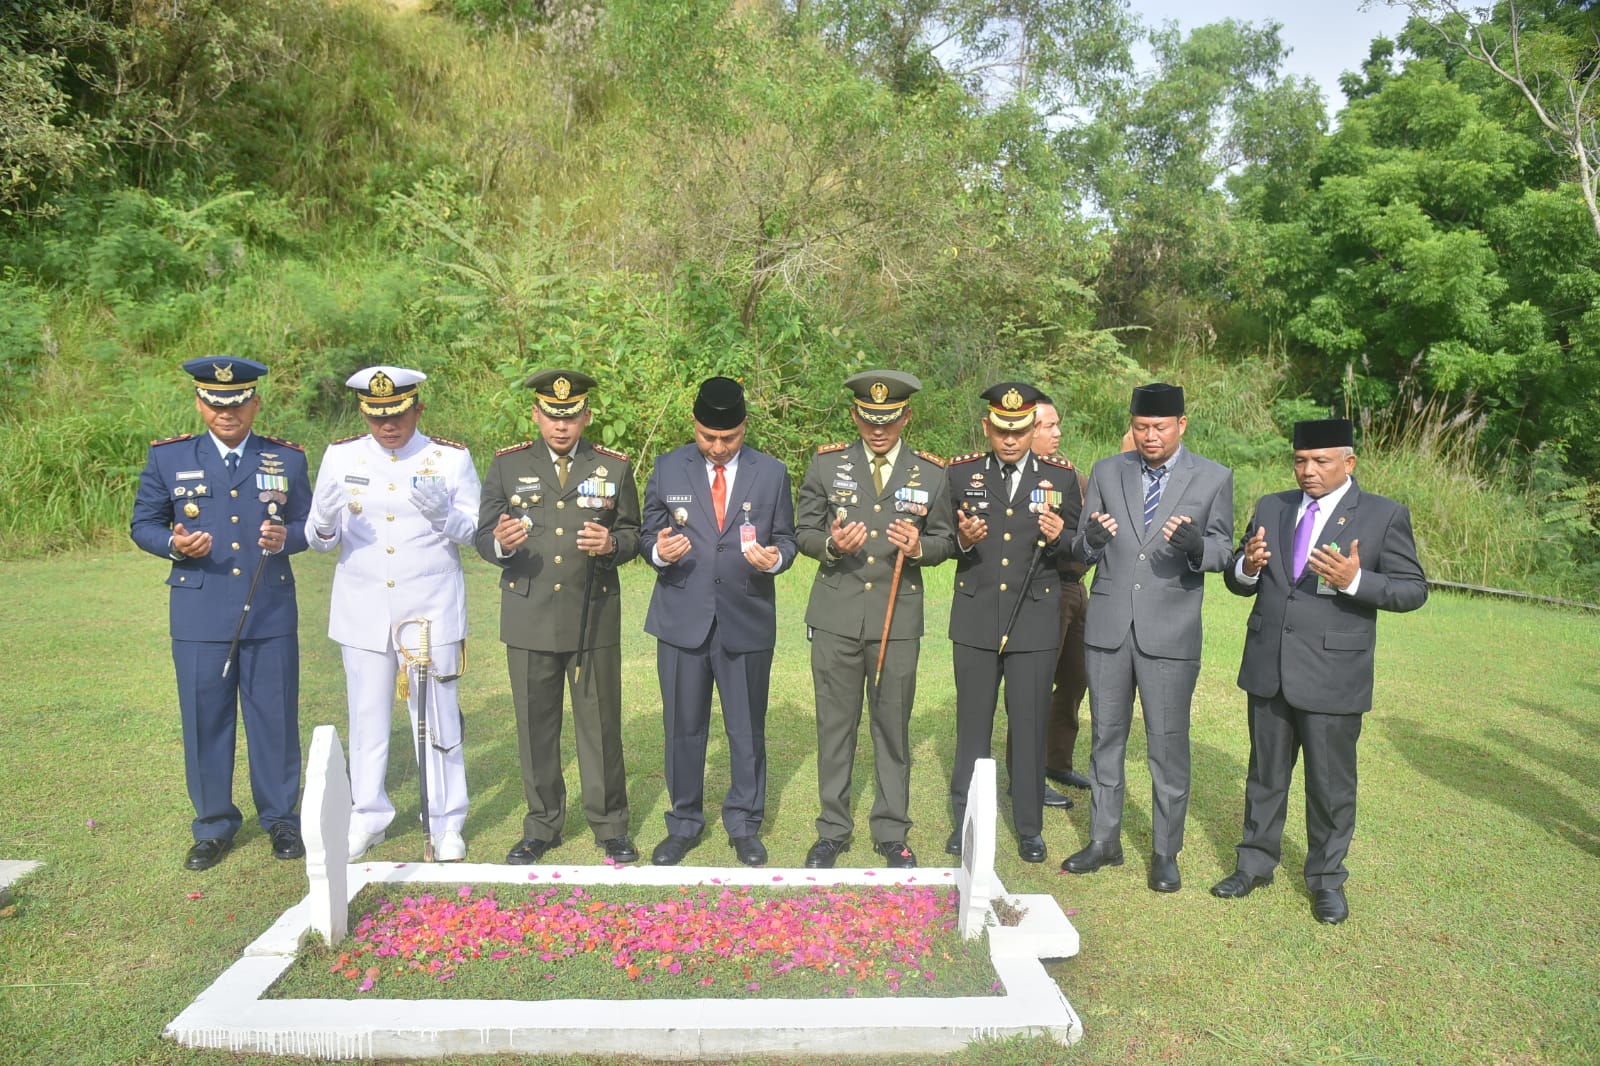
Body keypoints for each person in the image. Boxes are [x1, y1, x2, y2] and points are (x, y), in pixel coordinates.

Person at [1211, 418, 1427, 924]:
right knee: (1264, 775)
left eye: (1321, 461)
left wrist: (1357, 581)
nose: (1308, 471)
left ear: (1348, 463)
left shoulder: (1382, 516)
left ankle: (1326, 880)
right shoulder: (1272, 505)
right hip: (1269, 667)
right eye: (1301, 461)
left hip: (1333, 674)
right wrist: (1246, 566)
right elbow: (1241, 579)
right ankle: (1255, 863)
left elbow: (1413, 589)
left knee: (1330, 786)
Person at [130, 356, 311, 871]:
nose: (225, 413)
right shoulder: (168, 458)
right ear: (198, 403)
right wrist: (173, 544)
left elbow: (308, 524)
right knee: (205, 719)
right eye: (213, 402)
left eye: (235, 403)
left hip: (269, 610)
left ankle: (280, 819)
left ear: (255, 403)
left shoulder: (287, 459)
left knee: (274, 718)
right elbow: (142, 523)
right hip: (199, 611)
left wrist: (287, 538)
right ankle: (212, 825)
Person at [1062, 382, 1233, 893]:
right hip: (1110, 627)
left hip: (1171, 634)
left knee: (1167, 745)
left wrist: (1197, 546)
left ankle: (1165, 851)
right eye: (1141, 427)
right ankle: (1104, 840)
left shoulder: (1214, 477)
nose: (1150, 436)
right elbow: (1082, 544)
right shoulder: (1107, 471)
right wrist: (1086, 543)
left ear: (1182, 425)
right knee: (1105, 737)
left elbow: (1225, 550)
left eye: (1160, 427)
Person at [306, 367, 480, 862]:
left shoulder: (448, 457)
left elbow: (475, 529)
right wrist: (320, 524)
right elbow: (322, 539)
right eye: (377, 416)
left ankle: (447, 822)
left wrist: (445, 518)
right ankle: (368, 815)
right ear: (364, 413)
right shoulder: (341, 456)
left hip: (427, 610)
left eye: (398, 414)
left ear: (417, 410)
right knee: (366, 720)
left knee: (438, 720)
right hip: (363, 609)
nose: (388, 425)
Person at [476, 369, 641, 865]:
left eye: (571, 416)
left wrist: (613, 544)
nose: (561, 426)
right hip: (529, 613)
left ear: (587, 416)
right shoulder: (507, 466)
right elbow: (483, 533)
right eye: (552, 415)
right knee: (535, 726)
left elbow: (634, 531)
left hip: (592, 611)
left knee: (600, 725)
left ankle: (610, 824)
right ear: (536, 414)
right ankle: (542, 824)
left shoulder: (613, 467)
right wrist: (500, 545)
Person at [795, 370, 957, 869]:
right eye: (869, 419)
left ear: (906, 416)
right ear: (855, 416)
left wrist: (921, 547)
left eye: (888, 420)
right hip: (837, 616)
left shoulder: (931, 472)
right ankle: (832, 830)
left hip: (896, 620)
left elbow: (947, 540)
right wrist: (829, 545)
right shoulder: (827, 465)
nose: (878, 430)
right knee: (835, 727)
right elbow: (802, 529)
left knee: (892, 727)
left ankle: (891, 830)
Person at [641, 377, 797, 867]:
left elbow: (789, 539)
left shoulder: (771, 473)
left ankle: (744, 823)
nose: (717, 446)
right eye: (708, 437)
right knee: (683, 726)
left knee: (746, 728)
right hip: (683, 619)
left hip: (746, 618)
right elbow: (645, 532)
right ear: (695, 426)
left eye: (727, 439)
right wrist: (658, 552)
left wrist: (774, 559)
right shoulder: (668, 467)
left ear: (744, 428)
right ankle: (684, 822)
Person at [945, 382, 1079, 864]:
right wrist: (962, 539)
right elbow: (943, 539)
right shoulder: (960, 474)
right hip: (978, 618)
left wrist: (1062, 536)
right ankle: (964, 824)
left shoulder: (1061, 478)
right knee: (973, 729)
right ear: (987, 427)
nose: (1010, 439)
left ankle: (1029, 826)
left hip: (1034, 621)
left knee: (1028, 725)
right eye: (1001, 429)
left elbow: (1077, 553)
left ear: (1031, 428)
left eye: (1020, 430)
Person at [1003, 395, 1090, 811]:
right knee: (1032, 685)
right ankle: (1024, 774)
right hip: (1043, 588)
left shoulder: (1068, 473)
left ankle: (1056, 760)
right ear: (1025, 429)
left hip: (1076, 587)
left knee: (1076, 677)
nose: (1057, 433)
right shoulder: (1011, 480)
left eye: (1058, 425)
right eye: (1049, 426)